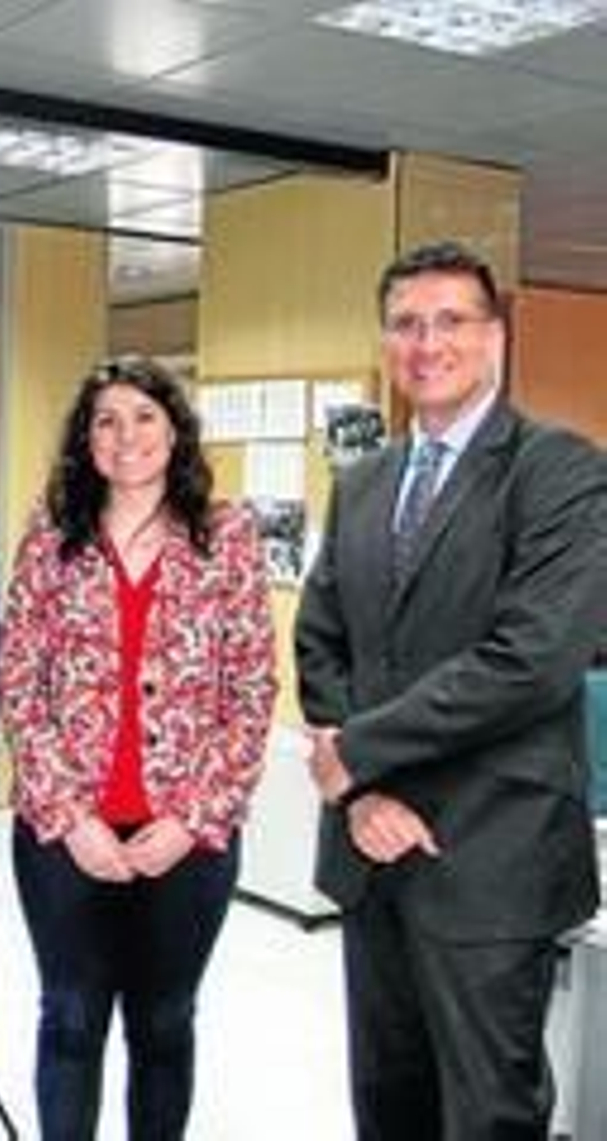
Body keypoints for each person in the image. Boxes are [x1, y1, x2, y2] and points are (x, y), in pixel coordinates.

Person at [296, 240, 607, 1141]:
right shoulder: (363, 484)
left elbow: (531, 659)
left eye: (451, 321)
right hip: (372, 853)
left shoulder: (560, 470)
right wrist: (363, 793)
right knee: (388, 1104)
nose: (427, 343)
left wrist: (359, 752)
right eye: (406, 324)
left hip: (490, 859)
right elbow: (320, 641)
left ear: (495, 336)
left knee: (487, 1115)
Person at [0, 356, 276, 1141]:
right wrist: (69, 814)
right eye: (107, 420)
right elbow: (19, 678)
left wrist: (191, 819)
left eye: (145, 416)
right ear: (85, 439)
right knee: (71, 1017)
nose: (126, 436)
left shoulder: (227, 535)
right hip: (65, 832)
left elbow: (252, 688)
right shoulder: (51, 535)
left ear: (175, 430)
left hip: (186, 835)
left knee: (164, 1021)